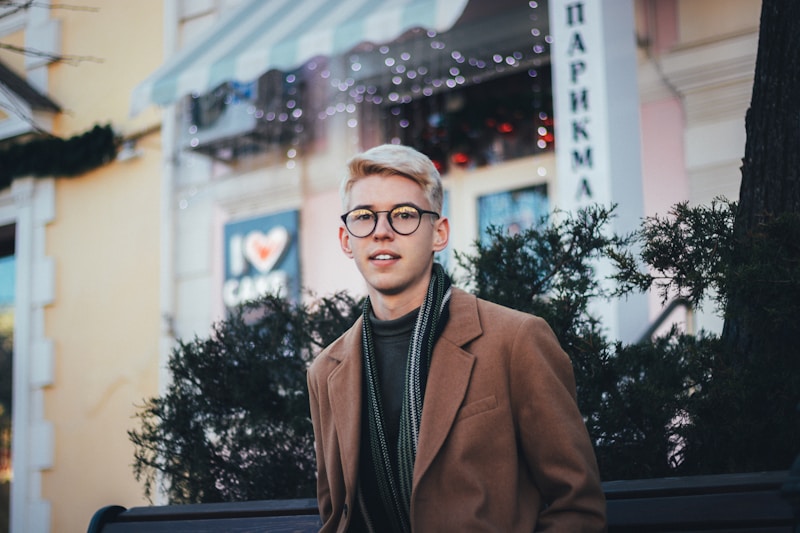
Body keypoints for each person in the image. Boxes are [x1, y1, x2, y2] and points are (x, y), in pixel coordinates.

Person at [307, 144, 606, 532]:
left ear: (439, 233)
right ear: (347, 240)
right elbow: (335, 515)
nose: (382, 231)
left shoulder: (514, 340)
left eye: (404, 215)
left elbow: (578, 504)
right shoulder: (325, 371)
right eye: (364, 217)